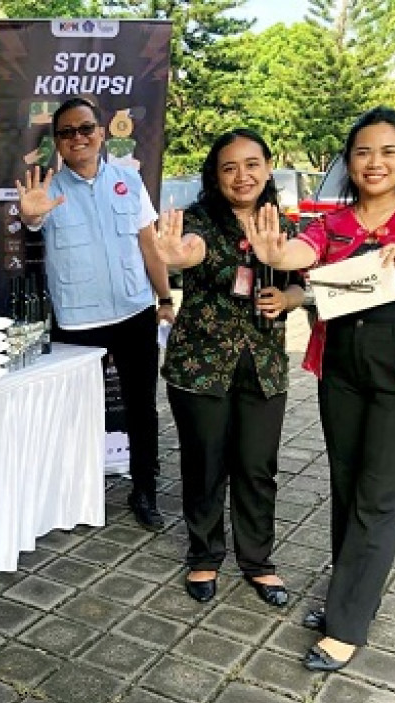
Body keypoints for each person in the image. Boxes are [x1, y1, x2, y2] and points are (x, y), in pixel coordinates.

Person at [245, 106, 395, 671]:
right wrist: (274, 254)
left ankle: (348, 623)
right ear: (349, 161)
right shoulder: (333, 222)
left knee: (379, 495)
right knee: (347, 486)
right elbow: (301, 253)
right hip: (342, 367)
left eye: (387, 151)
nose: (374, 162)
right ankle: (349, 595)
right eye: (362, 152)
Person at [154, 129, 305, 606]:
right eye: (229, 167)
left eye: (252, 164)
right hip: (201, 366)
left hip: (264, 365)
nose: (242, 176)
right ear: (215, 175)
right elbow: (190, 249)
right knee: (205, 464)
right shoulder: (198, 220)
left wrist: (287, 299)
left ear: (268, 167)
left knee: (257, 467)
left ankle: (258, 561)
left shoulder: (281, 223)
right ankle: (204, 554)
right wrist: (178, 256)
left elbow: (301, 283)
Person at [16, 97, 174, 531]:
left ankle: (145, 491)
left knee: (142, 409)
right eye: (67, 132)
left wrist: (164, 298)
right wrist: (29, 216)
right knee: (76, 414)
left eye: (86, 128)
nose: (78, 137)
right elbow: (31, 221)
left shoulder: (129, 181)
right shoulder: (46, 190)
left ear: (102, 133)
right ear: (57, 142)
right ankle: (74, 496)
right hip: (79, 322)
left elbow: (148, 245)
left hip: (135, 312)